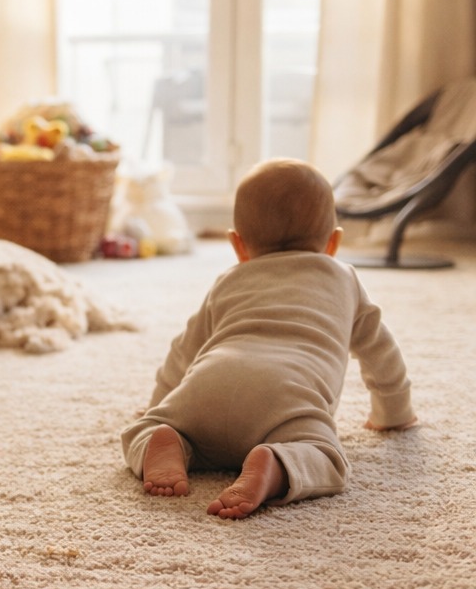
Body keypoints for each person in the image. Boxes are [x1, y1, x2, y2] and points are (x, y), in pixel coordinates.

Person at [121, 157, 416, 519]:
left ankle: (165, 439)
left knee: (145, 429)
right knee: (326, 458)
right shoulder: (344, 279)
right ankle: (278, 462)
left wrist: (160, 405)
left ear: (238, 245)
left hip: (207, 387)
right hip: (286, 401)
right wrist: (393, 413)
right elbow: (381, 354)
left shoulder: (229, 280)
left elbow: (183, 351)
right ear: (333, 243)